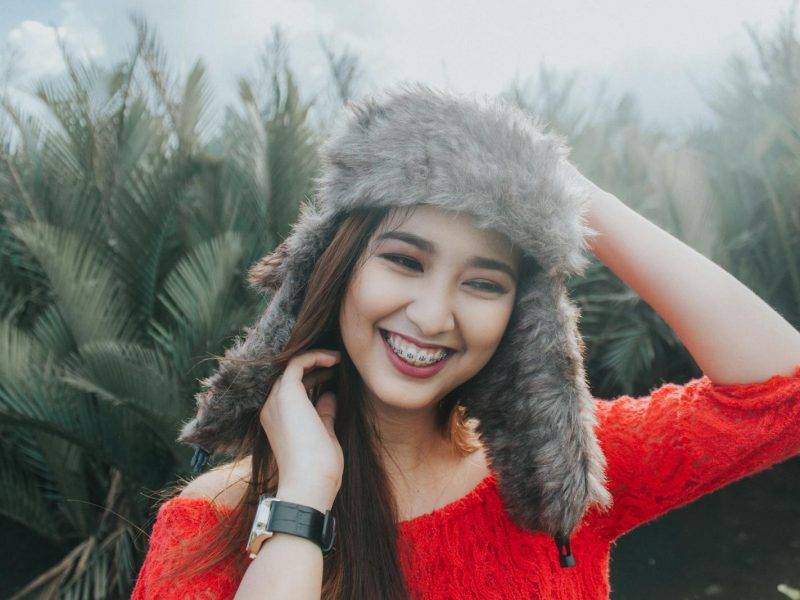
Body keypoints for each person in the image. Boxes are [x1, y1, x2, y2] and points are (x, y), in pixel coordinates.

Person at [130, 84, 800, 599]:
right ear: (335, 269)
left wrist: (564, 191)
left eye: (484, 283)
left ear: (523, 313)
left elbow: (781, 393)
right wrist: (303, 498)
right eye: (404, 261)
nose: (432, 315)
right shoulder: (208, 524)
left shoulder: (558, 477)